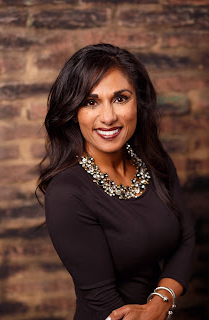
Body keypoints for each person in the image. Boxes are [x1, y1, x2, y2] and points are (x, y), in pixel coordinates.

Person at [37, 43, 196, 320]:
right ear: (74, 111)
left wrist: (160, 303)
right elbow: (105, 304)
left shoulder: (155, 161)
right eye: (90, 101)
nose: (108, 117)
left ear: (139, 101)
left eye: (120, 98)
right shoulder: (67, 193)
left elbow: (186, 238)